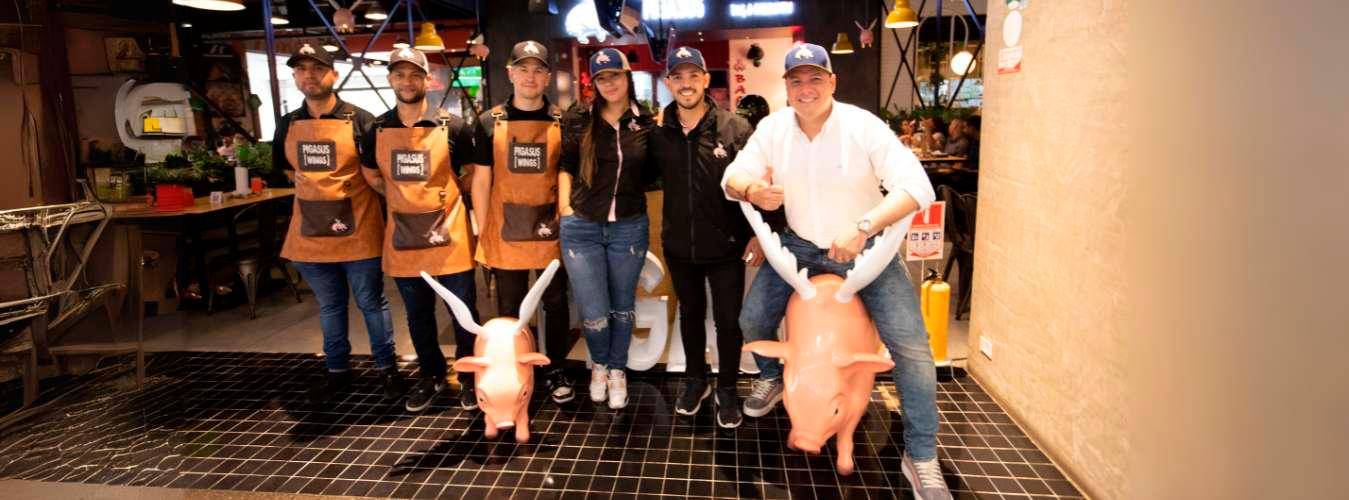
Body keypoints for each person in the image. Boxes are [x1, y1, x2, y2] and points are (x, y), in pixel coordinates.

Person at [720, 43, 951, 499]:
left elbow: (917, 186)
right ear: (786, 87)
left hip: (865, 249)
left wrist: (865, 227)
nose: (805, 89)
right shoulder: (773, 128)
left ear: (832, 82)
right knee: (753, 318)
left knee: (912, 348)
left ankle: (921, 455)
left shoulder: (862, 126)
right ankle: (773, 377)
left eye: (815, 79)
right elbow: (732, 177)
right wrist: (753, 190)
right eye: (796, 81)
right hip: (801, 245)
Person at [271, 43, 402, 405]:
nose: (309, 76)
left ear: (333, 74)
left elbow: (377, 173)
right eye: (302, 70)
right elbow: (285, 170)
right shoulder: (288, 123)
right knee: (329, 306)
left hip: (358, 229)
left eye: (317, 69)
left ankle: (387, 370)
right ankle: (337, 371)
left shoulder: (360, 120)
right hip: (311, 234)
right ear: (295, 76)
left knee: (371, 302)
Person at [359, 47, 480, 413]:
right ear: (390, 80)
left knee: (463, 312)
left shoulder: (452, 125)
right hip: (404, 237)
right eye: (400, 74)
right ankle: (431, 374)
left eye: (414, 74)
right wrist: (399, 197)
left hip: (450, 235)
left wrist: (444, 200)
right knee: (417, 312)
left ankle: (470, 376)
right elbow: (370, 174)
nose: (407, 82)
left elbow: (471, 173)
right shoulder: (377, 129)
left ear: (428, 80)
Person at [650, 46, 761, 427]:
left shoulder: (735, 129)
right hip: (679, 245)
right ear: (668, 83)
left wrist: (757, 233)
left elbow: (759, 179)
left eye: (693, 76)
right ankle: (696, 380)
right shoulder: (658, 132)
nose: (686, 84)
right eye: (678, 77)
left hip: (727, 244)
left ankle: (727, 387)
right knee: (690, 314)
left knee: (729, 321)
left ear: (705, 80)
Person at [469, 41, 576, 404]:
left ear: (547, 77)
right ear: (510, 73)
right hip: (505, 232)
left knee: (556, 304)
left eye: (538, 70)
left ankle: (555, 368)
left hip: (550, 228)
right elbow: (481, 181)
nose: (530, 77)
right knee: (509, 310)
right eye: (523, 69)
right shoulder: (489, 121)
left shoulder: (562, 120)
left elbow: (566, 174)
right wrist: (484, 233)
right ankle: (514, 369)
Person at [558, 48, 656, 410]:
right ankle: (599, 364)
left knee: (622, 306)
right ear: (594, 83)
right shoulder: (579, 118)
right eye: (601, 78)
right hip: (581, 225)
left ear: (627, 76)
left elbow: (655, 172)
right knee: (593, 308)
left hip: (628, 226)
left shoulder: (646, 122)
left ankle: (617, 369)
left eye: (614, 75)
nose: (609, 83)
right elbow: (566, 165)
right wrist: (565, 209)